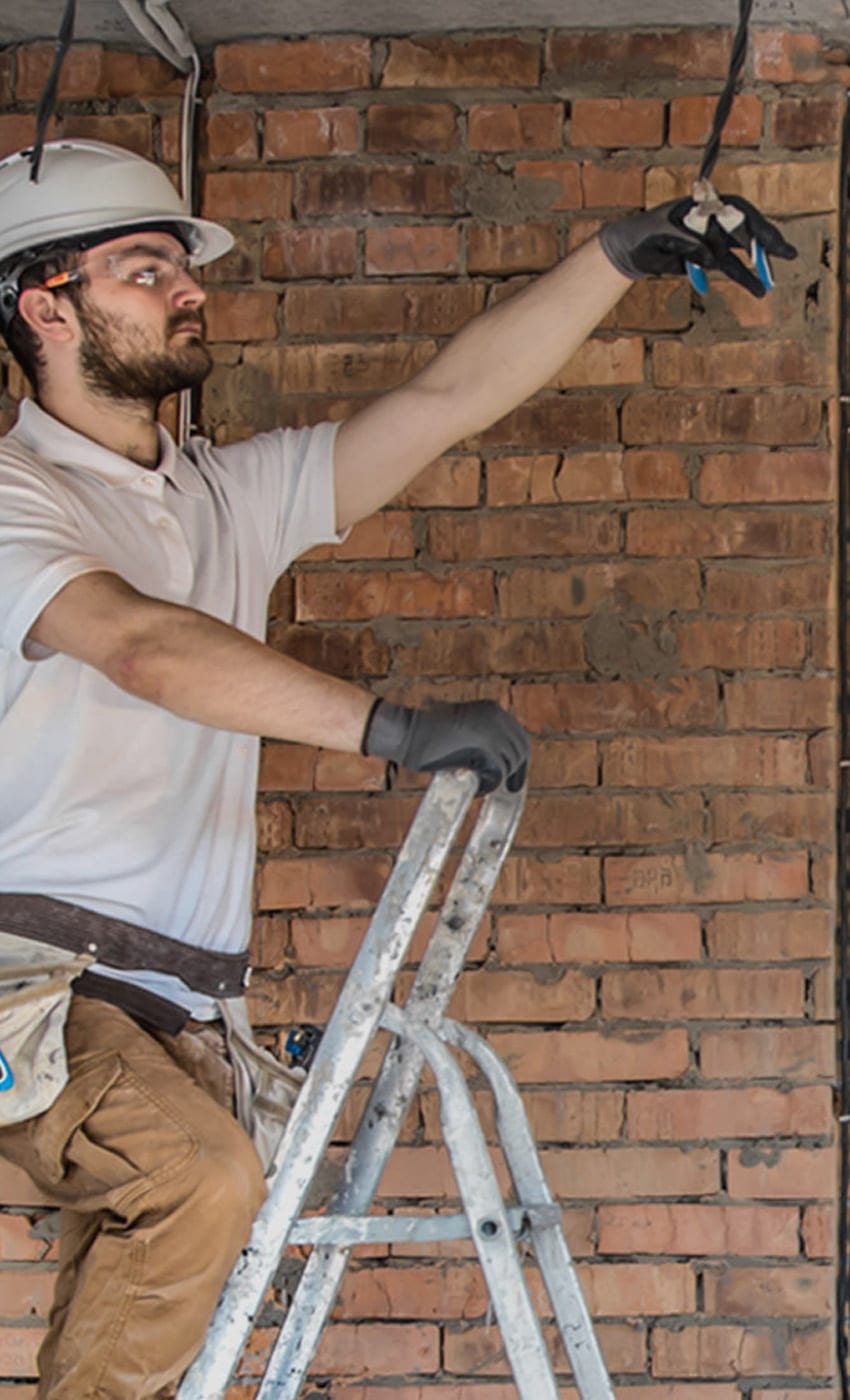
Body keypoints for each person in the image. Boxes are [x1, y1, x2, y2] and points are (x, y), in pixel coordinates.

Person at [0, 138, 796, 1399]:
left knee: (168, 1246)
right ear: (47, 305)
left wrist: (611, 260)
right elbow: (142, 645)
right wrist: (387, 726)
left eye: (181, 271)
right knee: (199, 1183)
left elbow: (438, 407)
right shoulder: (13, 497)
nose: (188, 290)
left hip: (178, 1003)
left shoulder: (215, 499)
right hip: (30, 984)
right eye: (147, 268)